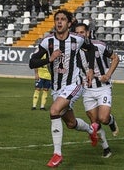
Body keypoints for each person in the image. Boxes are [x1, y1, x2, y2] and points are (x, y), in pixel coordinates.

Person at [29, 9, 98, 168]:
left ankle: (57, 154)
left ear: (69, 23)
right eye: (57, 19)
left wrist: (90, 69)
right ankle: (90, 131)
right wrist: (49, 59)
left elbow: (92, 49)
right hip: (57, 89)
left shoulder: (77, 39)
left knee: (53, 111)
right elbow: (32, 62)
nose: (59, 22)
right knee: (71, 123)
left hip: (74, 84)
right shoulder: (48, 42)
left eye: (62, 19)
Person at [75, 23, 119, 158]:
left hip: (103, 88)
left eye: (82, 32)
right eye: (77, 33)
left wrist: (108, 75)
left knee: (103, 118)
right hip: (87, 90)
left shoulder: (99, 45)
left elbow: (115, 58)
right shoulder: (73, 51)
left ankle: (111, 121)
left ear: (87, 33)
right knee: (95, 123)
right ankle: (106, 148)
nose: (80, 35)